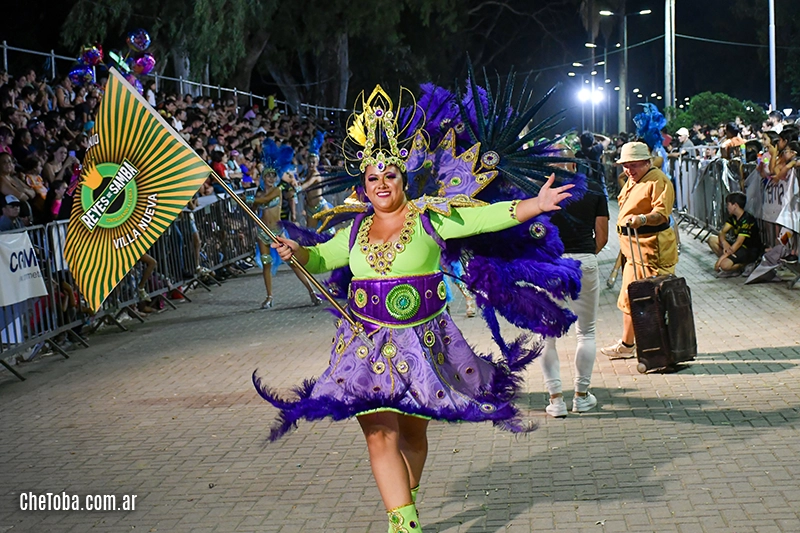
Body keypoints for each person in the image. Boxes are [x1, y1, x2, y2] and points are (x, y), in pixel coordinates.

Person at [258, 83, 575, 532]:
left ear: (403, 179)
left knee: (413, 435)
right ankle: (403, 524)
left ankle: (407, 498)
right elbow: (323, 256)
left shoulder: (431, 217)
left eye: (390, 175)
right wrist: (297, 251)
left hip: (423, 343)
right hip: (365, 345)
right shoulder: (354, 232)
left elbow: (486, 216)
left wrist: (534, 205)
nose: (381, 184)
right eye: (372, 177)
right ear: (364, 185)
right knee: (378, 433)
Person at [601, 142, 678, 359]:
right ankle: (628, 344)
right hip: (634, 251)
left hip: (651, 251)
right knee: (630, 297)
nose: (628, 170)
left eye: (634, 165)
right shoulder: (633, 179)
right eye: (625, 166)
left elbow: (661, 214)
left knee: (652, 299)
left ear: (647, 162)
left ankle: (661, 347)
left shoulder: (659, 181)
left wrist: (642, 219)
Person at [540, 176, 609, 416]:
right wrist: (585, 255)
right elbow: (602, 236)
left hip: (551, 263)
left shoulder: (540, 191)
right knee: (586, 331)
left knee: (547, 335)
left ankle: (556, 399)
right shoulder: (594, 187)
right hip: (584, 260)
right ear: (574, 166)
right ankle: (581, 396)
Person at [708, 192, 762, 276]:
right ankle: (731, 260)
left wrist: (721, 259)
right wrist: (725, 243)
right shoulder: (733, 217)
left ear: (735, 205)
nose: (727, 207)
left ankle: (742, 266)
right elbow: (722, 232)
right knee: (712, 239)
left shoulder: (747, 220)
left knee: (724, 266)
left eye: (728, 205)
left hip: (748, 250)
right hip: (739, 247)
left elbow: (739, 242)